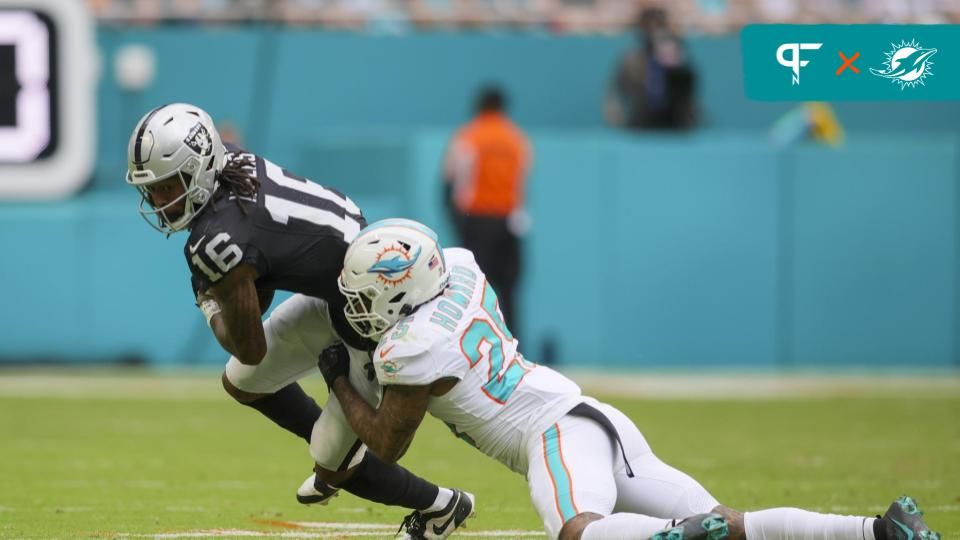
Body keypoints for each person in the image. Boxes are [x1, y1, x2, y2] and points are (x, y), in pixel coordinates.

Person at [316, 217, 942, 540]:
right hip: (595, 416)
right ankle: (882, 530)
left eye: (369, 292)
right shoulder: (459, 269)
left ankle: (681, 535)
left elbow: (389, 443)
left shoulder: (412, 347)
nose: (360, 305)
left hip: (551, 435)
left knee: (579, 533)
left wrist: (341, 382)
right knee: (734, 525)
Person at [124, 103, 473, 539]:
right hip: (339, 287)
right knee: (243, 380)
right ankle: (337, 446)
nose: (159, 201)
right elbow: (262, 269)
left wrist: (209, 303)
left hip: (369, 319)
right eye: (152, 189)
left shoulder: (218, 237)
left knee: (332, 460)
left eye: (166, 186)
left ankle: (439, 505)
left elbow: (248, 344)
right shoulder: (230, 161)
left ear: (198, 167)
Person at [442, 85, 531, 336]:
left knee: (474, 288)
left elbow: (450, 179)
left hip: (476, 221)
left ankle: (475, 343)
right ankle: (512, 344)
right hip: (510, 222)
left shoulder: (469, 136)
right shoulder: (517, 140)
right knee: (509, 291)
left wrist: (456, 220)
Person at [604, 6, 698, 130]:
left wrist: (675, 68)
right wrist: (615, 114)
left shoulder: (677, 57)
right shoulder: (631, 61)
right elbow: (615, 93)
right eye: (648, 27)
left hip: (675, 125)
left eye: (659, 26)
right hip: (641, 124)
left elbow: (688, 97)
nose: (654, 32)